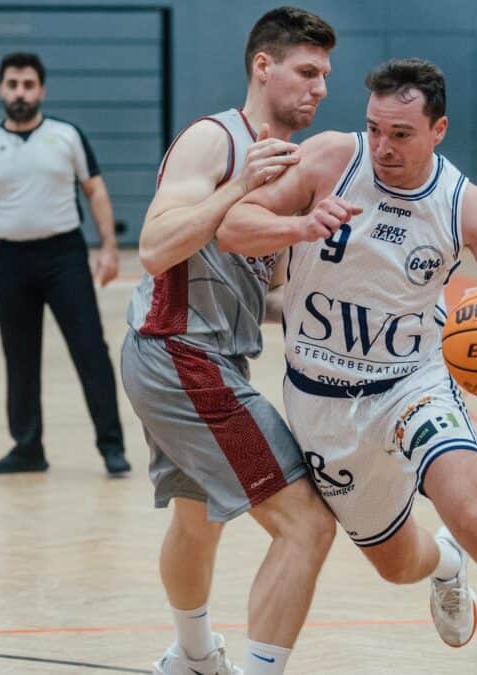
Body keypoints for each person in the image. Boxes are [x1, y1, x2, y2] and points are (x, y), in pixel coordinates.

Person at [219, 58, 477, 674]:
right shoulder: (331, 160)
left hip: (412, 388)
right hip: (323, 405)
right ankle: (446, 565)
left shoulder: (463, 204)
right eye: (375, 129)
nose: (383, 147)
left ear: (438, 130)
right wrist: (297, 222)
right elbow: (233, 225)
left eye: (401, 134)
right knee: (397, 566)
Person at [121, 8, 337, 674]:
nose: (320, 87)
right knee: (307, 522)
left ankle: (191, 656)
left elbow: (266, 296)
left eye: (326, 75)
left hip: (193, 355)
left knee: (196, 518)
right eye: (306, 71)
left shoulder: (291, 170)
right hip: (180, 353)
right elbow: (154, 249)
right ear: (262, 67)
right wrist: (241, 185)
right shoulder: (215, 141)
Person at [0, 52, 130, 477]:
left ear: (41, 90)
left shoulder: (67, 137)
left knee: (90, 350)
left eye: (28, 85)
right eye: (12, 84)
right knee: (20, 357)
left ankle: (112, 447)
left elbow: (96, 191)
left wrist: (108, 248)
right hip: (10, 261)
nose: (20, 93)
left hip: (64, 258)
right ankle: (28, 448)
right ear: (1, 89)